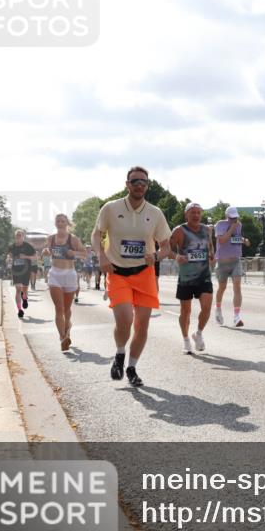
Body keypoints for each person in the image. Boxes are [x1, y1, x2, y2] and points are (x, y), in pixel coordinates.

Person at [92, 166, 172, 387]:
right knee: (125, 319)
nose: (140, 185)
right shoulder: (111, 208)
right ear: (127, 184)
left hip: (144, 273)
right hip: (117, 271)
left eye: (144, 182)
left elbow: (166, 246)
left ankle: (131, 367)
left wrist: (156, 256)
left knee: (142, 326)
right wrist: (101, 256)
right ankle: (119, 353)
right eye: (135, 181)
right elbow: (97, 233)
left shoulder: (155, 213)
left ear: (147, 186)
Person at [170, 202, 215, 354]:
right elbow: (166, 248)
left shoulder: (207, 229)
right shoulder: (179, 231)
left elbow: (210, 245)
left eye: (198, 212)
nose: (196, 215)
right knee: (185, 311)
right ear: (186, 214)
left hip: (204, 275)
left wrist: (211, 255)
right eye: (193, 212)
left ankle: (198, 333)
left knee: (207, 307)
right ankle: (185, 340)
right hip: (186, 278)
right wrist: (176, 256)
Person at [46, 214, 86, 351]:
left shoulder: (73, 239)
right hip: (55, 274)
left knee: (67, 310)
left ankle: (67, 330)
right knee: (59, 308)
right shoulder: (50, 239)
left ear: (67, 223)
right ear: (55, 223)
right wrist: (45, 252)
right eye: (58, 221)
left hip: (69, 274)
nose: (60, 223)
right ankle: (62, 338)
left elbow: (85, 254)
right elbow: (46, 253)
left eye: (63, 221)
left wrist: (74, 253)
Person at [214, 206, 250, 327]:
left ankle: (236, 316)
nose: (234, 220)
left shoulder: (239, 225)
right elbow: (221, 241)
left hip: (235, 260)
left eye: (235, 218)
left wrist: (244, 240)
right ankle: (218, 309)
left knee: (237, 286)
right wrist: (231, 228)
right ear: (226, 216)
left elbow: (236, 238)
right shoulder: (220, 224)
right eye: (231, 218)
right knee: (222, 288)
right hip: (222, 262)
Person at [9, 230, 36, 318]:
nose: (18, 237)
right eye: (16, 235)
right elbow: (9, 256)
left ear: (23, 237)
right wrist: (9, 258)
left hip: (26, 271)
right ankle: (20, 310)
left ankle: (24, 299)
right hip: (16, 271)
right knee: (18, 290)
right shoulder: (12, 247)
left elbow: (35, 257)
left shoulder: (28, 247)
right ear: (15, 237)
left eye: (20, 235)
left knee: (24, 290)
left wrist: (25, 257)